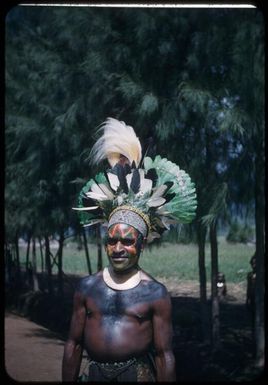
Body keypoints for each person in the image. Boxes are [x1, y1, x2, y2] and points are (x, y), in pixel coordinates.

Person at [62, 118, 197, 382]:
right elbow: (73, 344)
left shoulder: (155, 294)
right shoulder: (87, 288)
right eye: (112, 241)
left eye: (127, 241)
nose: (118, 248)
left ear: (142, 244)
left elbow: (163, 355)